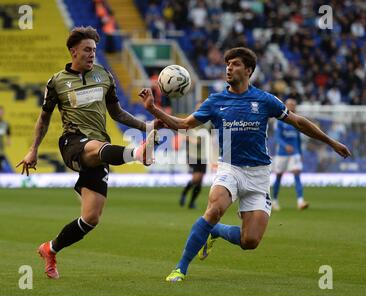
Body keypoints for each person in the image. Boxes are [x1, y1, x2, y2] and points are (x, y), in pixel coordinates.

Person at [139, 47, 351, 282]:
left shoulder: (264, 100)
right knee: (215, 209)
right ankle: (180, 268)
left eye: (235, 64)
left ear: (248, 70)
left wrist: (331, 142)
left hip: (259, 175)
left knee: (250, 242)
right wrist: (152, 108)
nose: (229, 67)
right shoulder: (216, 101)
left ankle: (216, 232)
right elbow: (184, 124)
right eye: (227, 63)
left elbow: (298, 122)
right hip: (230, 168)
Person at [17, 26, 158, 279]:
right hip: (72, 142)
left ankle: (50, 249)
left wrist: (145, 125)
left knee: (91, 218)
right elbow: (44, 119)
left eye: (94, 50)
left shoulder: (104, 75)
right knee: (94, 147)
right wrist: (33, 150)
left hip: (99, 148)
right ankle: (138, 154)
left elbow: (116, 113)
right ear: (73, 51)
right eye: (87, 50)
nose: (92, 54)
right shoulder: (57, 81)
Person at [271, 98, 309, 211]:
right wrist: (284, 146)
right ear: (286, 105)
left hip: (295, 153)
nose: (292, 106)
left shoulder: (297, 120)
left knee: (297, 174)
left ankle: (300, 201)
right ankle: (274, 200)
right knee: (279, 176)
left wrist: (300, 152)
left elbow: (298, 138)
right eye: (290, 104)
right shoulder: (280, 121)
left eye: (293, 104)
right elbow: (277, 137)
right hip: (282, 153)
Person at [179, 103, 212, 209]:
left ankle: (192, 202)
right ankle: (184, 193)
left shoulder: (207, 122)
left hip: (203, 155)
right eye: (198, 107)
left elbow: (210, 133)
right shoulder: (191, 120)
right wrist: (191, 140)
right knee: (196, 177)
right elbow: (182, 133)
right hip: (193, 154)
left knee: (200, 180)